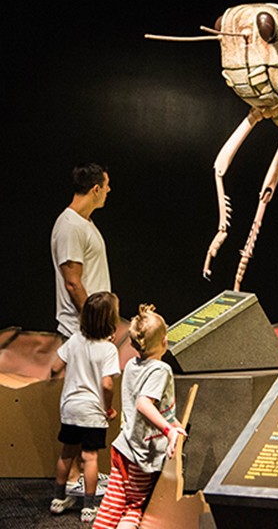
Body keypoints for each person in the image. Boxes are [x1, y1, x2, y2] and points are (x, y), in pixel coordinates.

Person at [93, 304, 187, 529]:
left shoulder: (131, 365)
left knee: (113, 503)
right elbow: (143, 404)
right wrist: (169, 431)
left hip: (122, 449)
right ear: (164, 341)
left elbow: (159, 408)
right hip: (141, 456)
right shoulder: (160, 370)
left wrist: (174, 423)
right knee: (134, 507)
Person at [49, 291, 122, 522]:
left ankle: (58, 499)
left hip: (70, 408)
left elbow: (55, 367)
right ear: (111, 320)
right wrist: (108, 409)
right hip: (93, 411)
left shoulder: (74, 340)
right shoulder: (108, 350)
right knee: (90, 457)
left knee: (66, 454)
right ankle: (89, 507)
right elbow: (107, 384)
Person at [52, 162, 112, 340]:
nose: (108, 190)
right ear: (96, 189)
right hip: (79, 333)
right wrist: (95, 324)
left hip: (90, 332)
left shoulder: (84, 223)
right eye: (106, 185)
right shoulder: (70, 226)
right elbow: (73, 283)